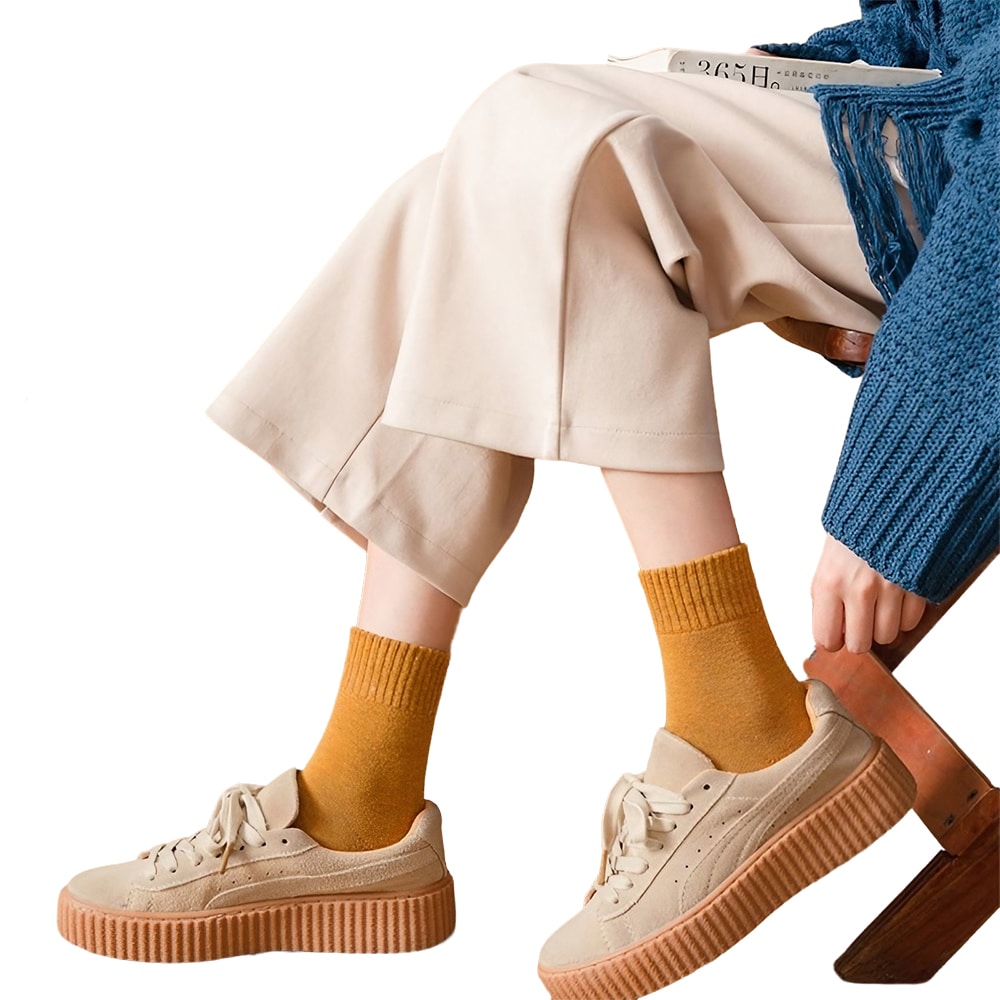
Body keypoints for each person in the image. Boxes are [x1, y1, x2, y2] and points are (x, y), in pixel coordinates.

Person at [55, 1, 997, 996]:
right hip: (944, 136)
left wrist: (913, 474)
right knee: (468, 191)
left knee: (552, 141)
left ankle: (742, 717)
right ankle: (359, 801)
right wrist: (789, 72)